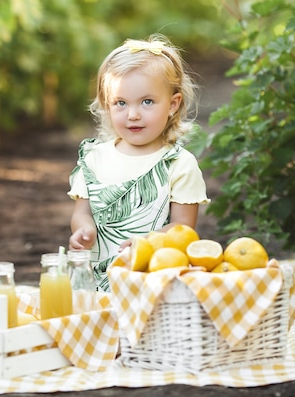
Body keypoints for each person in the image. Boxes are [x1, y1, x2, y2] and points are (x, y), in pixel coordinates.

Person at [67, 34, 210, 291]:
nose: (133, 115)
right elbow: (82, 212)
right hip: (96, 282)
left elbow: (183, 227)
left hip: (153, 281)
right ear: (107, 105)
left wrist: (148, 241)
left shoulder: (179, 164)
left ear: (173, 105)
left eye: (147, 102)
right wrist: (84, 229)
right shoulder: (94, 159)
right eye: (120, 103)